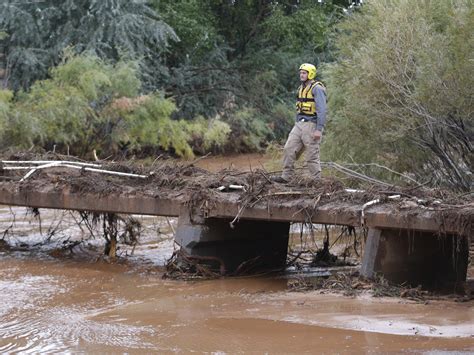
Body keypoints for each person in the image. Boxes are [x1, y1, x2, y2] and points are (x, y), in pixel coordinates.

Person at [273, 63, 327, 183]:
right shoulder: (301, 88)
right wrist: (297, 122)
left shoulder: (317, 88)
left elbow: (322, 110)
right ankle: (287, 176)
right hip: (299, 123)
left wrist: (319, 129)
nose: (301, 75)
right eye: (301, 73)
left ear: (310, 74)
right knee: (289, 148)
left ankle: (316, 181)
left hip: (312, 124)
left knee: (311, 154)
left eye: (304, 73)